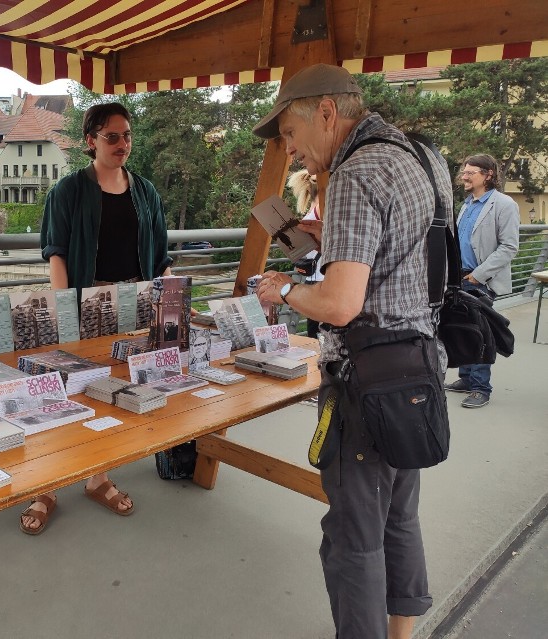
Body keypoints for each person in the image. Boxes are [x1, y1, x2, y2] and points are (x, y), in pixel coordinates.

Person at [252, 63, 453, 639]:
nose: (290, 151)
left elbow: (340, 304)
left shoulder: (353, 175)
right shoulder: (418, 155)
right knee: (399, 517)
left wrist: (286, 289)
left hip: (366, 382)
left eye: (290, 134)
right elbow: (409, 252)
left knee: (355, 537)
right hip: (418, 366)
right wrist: (330, 240)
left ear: (326, 113)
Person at [34, 101, 172, 535]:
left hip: (134, 306)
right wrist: (63, 312)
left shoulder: (145, 191)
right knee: (66, 393)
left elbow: (161, 257)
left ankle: (98, 476)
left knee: (115, 391)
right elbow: (55, 253)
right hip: (82, 305)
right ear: (90, 141)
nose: (122, 144)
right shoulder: (68, 191)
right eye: (112, 136)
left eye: (127, 135)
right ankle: (47, 484)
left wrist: (170, 298)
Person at [443, 154, 519, 408]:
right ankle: (466, 378)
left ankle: (480, 388)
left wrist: (479, 274)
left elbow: (509, 247)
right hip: (459, 276)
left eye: (470, 172)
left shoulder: (504, 204)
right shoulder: (467, 204)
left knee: (480, 332)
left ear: (488, 175)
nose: (464, 176)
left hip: (480, 278)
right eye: (463, 172)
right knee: (463, 327)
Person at [287, 169, 324, 339]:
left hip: (318, 281)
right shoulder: (321, 210)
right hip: (319, 279)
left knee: (316, 335)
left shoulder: (315, 211)